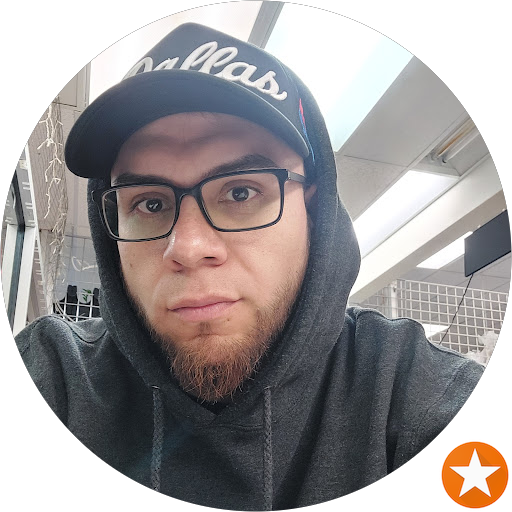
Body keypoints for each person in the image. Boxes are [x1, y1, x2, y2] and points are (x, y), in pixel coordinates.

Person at [15, 22, 484, 510]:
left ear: (315, 214)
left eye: (241, 192)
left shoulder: (410, 394)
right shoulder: (56, 377)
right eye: (150, 203)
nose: (189, 247)